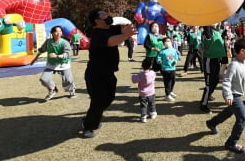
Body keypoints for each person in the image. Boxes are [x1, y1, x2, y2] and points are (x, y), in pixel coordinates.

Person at [81, 8, 136, 138]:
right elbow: (110, 41)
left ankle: (91, 117)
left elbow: (123, 29)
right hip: (95, 74)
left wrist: (130, 26)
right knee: (98, 101)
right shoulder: (97, 33)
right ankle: (88, 126)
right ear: (97, 20)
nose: (108, 15)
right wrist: (125, 35)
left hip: (109, 72)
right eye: (104, 15)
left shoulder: (111, 28)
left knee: (109, 98)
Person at [205, 38, 245, 154]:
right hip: (233, 96)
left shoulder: (244, 64)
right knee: (242, 119)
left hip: (237, 94)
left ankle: (212, 123)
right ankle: (231, 143)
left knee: (228, 112)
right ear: (242, 51)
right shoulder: (234, 65)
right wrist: (228, 96)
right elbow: (226, 81)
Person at [30, 25, 76, 100]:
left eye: (60, 31)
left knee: (68, 80)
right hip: (51, 64)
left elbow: (67, 54)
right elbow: (42, 50)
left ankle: (72, 90)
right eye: (56, 31)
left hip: (63, 64)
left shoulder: (65, 43)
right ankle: (53, 89)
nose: (58, 33)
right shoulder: (48, 42)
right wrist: (35, 59)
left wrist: (57, 56)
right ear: (52, 33)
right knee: (44, 79)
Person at [199, 24, 227, 113]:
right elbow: (208, 35)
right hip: (209, 60)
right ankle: (203, 104)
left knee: (216, 79)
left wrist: (224, 56)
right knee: (209, 83)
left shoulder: (217, 32)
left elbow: (221, 45)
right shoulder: (207, 33)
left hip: (217, 60)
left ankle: (209, 94)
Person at [131, 58, 157, 123]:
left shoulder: (140, 75)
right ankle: (153, 113)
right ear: (151, 66)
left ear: (142, 66)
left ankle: (143, 117)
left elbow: (134, 80)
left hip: (142, 93)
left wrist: (133, 76)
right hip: (151, 92)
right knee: (152, 104)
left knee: (143, 106)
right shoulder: (153, 73)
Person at [157, 37, 180, 101]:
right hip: (165, 69)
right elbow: (158, 58)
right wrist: (159, 61)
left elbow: (176, 57)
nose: (168, 42)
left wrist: (176, 60)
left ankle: (170, 91)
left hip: (173, 68)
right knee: (167, 82)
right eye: (166, 41)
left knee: (173, 80)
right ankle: (167, 95)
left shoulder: (173, 50)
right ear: (164, 43)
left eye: (169, 41)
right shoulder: (162, 51)